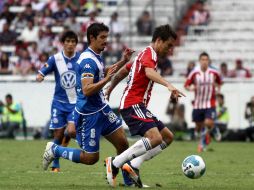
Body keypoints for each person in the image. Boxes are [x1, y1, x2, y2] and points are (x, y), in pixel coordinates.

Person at [42, 23, 135, 186]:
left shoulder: (95, 55)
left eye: (107, 37)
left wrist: (122, 61)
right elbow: (87, 89)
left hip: (102, 109)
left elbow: (103, 71)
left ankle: (128, 181)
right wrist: (106, 81)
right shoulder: (87, 60)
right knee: (91, 158)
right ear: (92, 38)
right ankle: (55, 150)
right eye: (103, 37)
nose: (106, 41)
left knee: (123, 144)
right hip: (89, 114)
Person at [104, 24, 184, 187]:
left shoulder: (144, 55)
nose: (170, 50)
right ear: (159, 40)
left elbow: (124, 71)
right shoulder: (149, 54)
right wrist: (168, 85)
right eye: (169, 46)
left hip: (138, 105)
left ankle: (133, 165)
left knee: (167, 137)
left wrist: (111, 88)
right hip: (132, 104)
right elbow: (149, 73)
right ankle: (115, 163)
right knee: (155, 138)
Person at [36, 30, 80, 172]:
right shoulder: (55, 59)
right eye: (67, 41)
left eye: (73, 42)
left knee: (71, 131)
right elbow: (43, 70)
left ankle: (67, 138)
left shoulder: (80, 59)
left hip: (75, 103)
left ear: (76, 44)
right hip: (59, 103)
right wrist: (40, 76)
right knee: (58, 134)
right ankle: (56, 164)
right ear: (63, 43)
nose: (70, 44)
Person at [184, 52, 222, 152]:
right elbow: (186, 85)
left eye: (206, 60)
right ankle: (203, 142)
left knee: (208, 123)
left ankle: (214, 131)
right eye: (203, 60)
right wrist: (191, 88)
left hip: (210, 103)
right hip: (198, 104)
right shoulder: (194, 73)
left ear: (208, 61)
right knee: (199, 128)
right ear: (199, 61)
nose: (204, 62)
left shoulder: (214, 72)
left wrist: (218, 88)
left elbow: (219, 82)